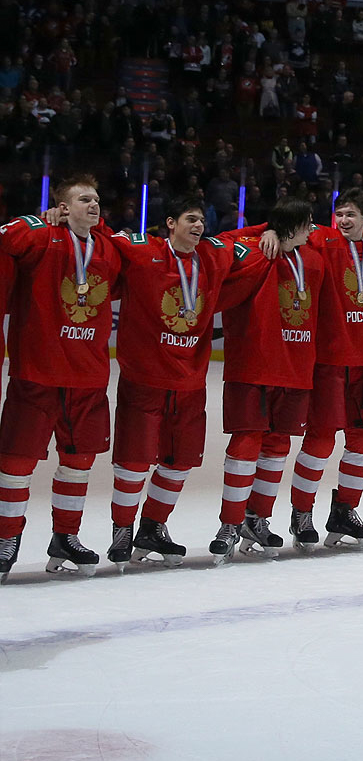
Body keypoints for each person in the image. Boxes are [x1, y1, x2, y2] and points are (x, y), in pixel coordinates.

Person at [0, 175, 123, 579]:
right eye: (84, 199)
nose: (94, 204)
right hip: (38, 373)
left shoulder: (107, 247)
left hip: (87, 378)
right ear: (62, 207)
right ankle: (6, 538)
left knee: (78, 463)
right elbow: (5, 238)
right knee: (16, 463)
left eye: (97, 199)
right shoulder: (39, 237)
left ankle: (65, 536)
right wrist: (37, 219)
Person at [104, 196, 237, 569]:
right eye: (190, 219)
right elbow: (98, 238)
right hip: (144, 379)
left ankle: (153, 526)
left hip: (191, 383)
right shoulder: (142, 250)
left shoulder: (211, 257)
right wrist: (57, 217)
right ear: (169, 223)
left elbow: (245, 240)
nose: (198, 226)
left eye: (201, 221)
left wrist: (271, 229)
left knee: (178, 463)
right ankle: (122, 531)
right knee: (133, 461)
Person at [212, 197, 323, 562]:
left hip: (296, 368)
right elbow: (219, 240)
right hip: (254, 365)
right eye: (307, 224)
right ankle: (230, 523)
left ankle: (257, 518)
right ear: (292, 226)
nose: (313, 230)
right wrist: (266, 230)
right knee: (247, 443)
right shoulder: (254, 250)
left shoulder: (314, 258)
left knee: (277, 447)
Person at [279, 189, 363, 551]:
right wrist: (267, 231)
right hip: (329, 361)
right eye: (339, 213)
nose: (344, 221)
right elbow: (285, 224)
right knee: (321, 440)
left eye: (351, 214)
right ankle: (301, 513)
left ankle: (344, 511)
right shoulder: (320, 238)